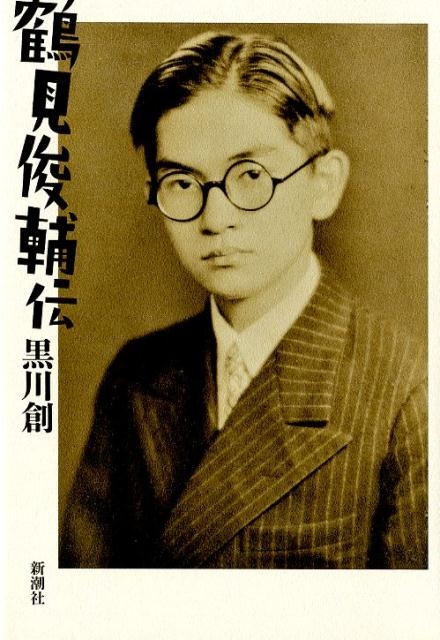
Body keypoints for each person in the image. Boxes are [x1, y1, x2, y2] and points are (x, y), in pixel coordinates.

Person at [60, 31, 427, 569]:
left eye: (250, 176)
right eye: (181, 182)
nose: (215, 219)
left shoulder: (406, 393)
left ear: (323, 183)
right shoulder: (136, 378)